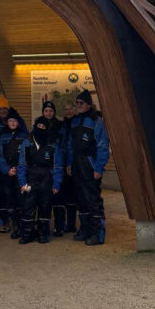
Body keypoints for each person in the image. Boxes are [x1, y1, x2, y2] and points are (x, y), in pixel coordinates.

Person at [66, 90, 109, 245]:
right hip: (77, 165)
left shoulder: (96, 121)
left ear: (88, 105)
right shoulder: (75, 122)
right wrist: (70, 163)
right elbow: (71, 145)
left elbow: (103, 146)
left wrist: (99, 168)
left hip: (90, 165)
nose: (78, 106)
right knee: (81, 200)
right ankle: (85, 229)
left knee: (93, 200)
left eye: (81, 103)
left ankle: (98, 233)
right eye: (77, 103)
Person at [17, 115, 64, 245]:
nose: (41, 129)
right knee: (28, 208)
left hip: (46, 180)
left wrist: (56, 183)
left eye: (44, 127)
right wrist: (22, 182)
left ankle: (43, 234)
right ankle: (27, 234)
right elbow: (21, 164)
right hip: (30, 179)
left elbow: (58, 166)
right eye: (39, 126)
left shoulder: (53, 146)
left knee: (45, 207)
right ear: (35, 127)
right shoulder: (27, 143)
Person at [0, 111, 29, 238]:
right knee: (9, 200)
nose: (12, 123)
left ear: (18, 122)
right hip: (7, 174)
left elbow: (28, 155)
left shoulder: (25, 137)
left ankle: (23, 227)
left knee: (22, 200)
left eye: (15, 121)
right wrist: (7, 169)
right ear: (7, 123)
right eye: (10, 121)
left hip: (21, 174)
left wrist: (19, 169)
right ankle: (15, 227)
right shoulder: (2, 137)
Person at [41, 100, 65, 237]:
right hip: (43, 166)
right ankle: (44, 226)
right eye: (46, 111)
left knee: (58, 197)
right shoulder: (39, 125)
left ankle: (59, 226)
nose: (48, 113)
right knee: (45, 198)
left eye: (51, 111)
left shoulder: (60, 126)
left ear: (54, 112)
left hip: (57, 162)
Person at [60, 101, 77, 234]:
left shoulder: (77, 123)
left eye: (70, 109)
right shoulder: (62, 125)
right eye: (66, 109)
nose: (68, 111)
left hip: (76, 164)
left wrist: (71, 163)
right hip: (63, 164)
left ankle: (72, 223)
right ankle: (66, 223)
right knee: (65, 194)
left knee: (74, 194)